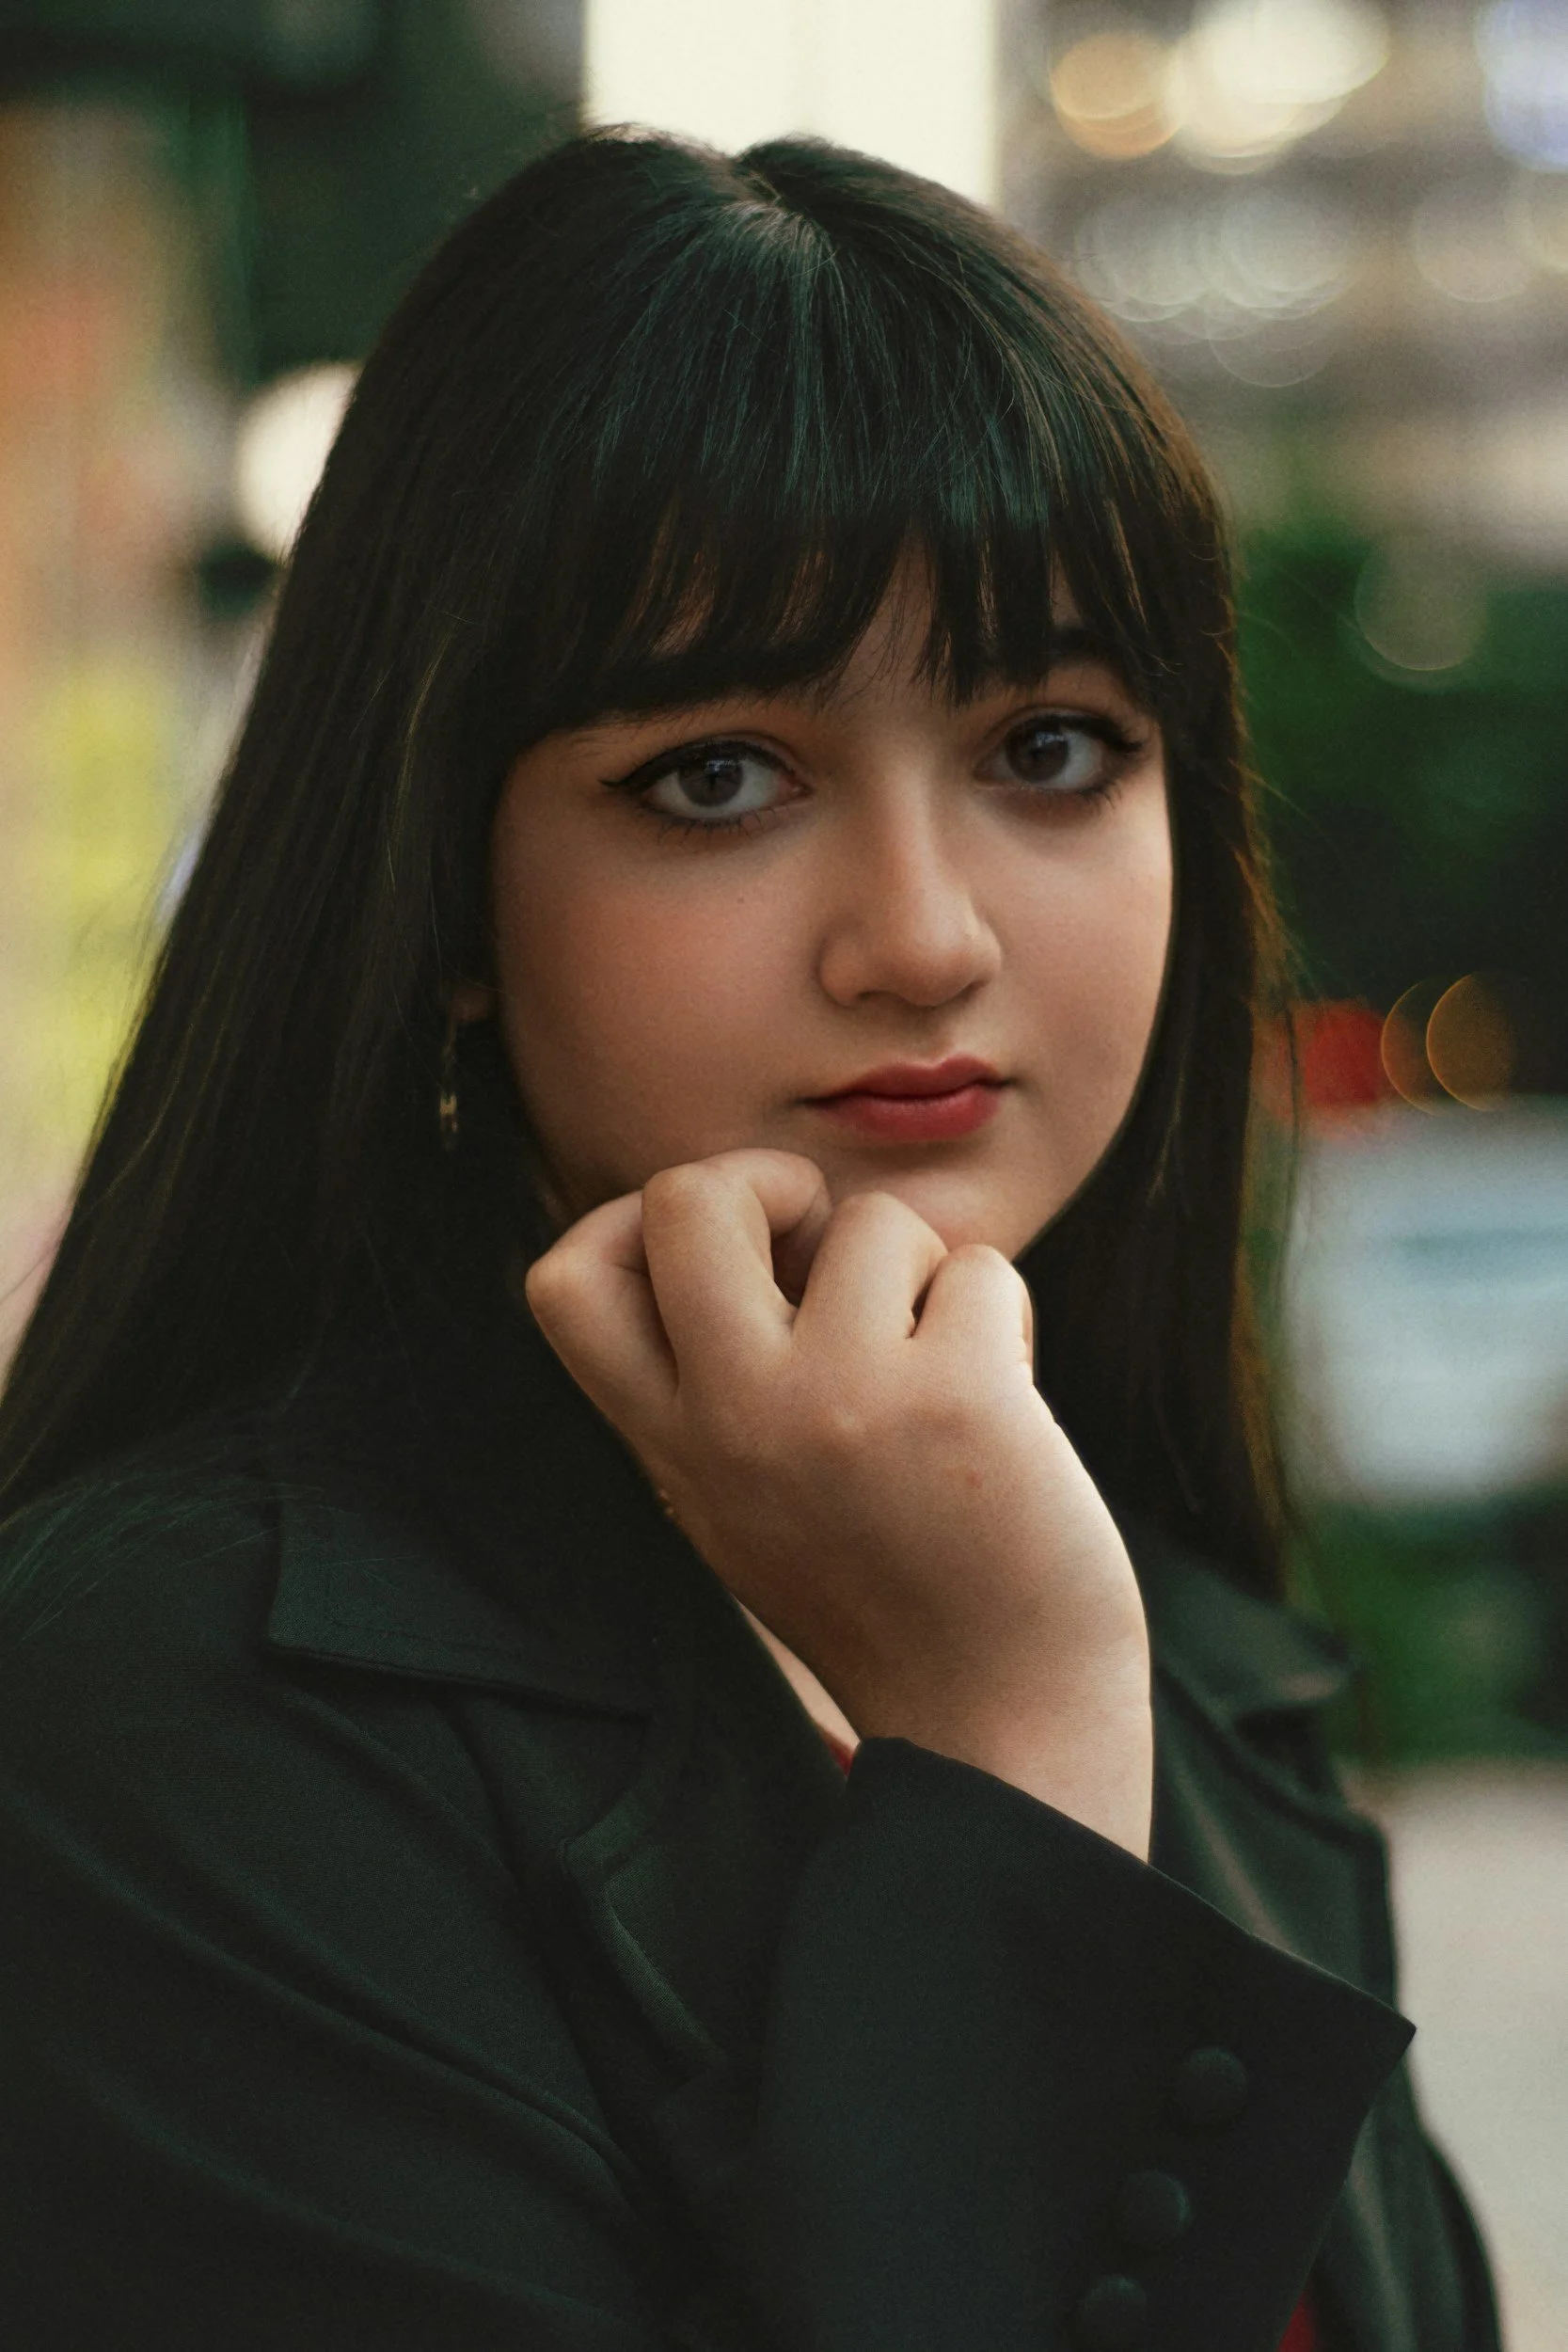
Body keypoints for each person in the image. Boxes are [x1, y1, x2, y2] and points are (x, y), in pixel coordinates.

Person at [0, 128, 1498, 2352]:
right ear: (440, 892)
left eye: (1056, 744)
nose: (921, 932)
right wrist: (1006, 1746)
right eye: (716, 776)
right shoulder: (161, 1716)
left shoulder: (1183, 1636)